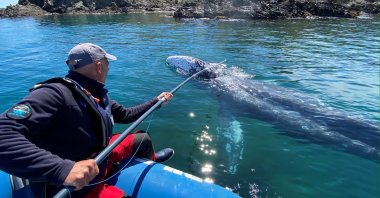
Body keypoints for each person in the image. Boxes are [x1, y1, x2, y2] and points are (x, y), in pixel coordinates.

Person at [0, 43, 174, 197]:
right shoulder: (53, 93)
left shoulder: (95, 94)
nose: (108, 69)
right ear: (99, 66)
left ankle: (151, 162)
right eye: (107, 64)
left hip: (99, 158)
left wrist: (156, 102)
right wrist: (61, 169)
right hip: (75, 186)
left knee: (142, 139)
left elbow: (126, 115)